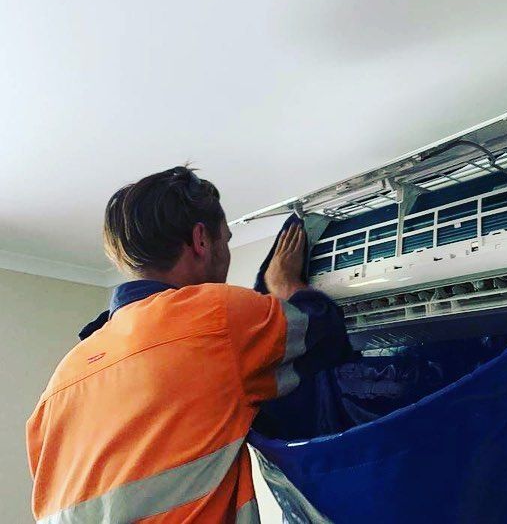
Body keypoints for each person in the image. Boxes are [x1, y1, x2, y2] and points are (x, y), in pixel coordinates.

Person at [26, 166, 350, 523]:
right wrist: (285, 285)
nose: (226, 254)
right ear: (201, 240)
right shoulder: (214, 316)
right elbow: (323, 333)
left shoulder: (63, 377)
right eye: (225, 241)